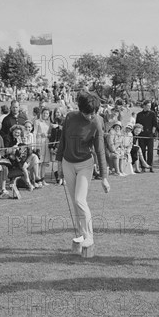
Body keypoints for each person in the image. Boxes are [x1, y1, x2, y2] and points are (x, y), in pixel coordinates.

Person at [56, 92, 110, 250]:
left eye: (94, 112)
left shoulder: (97, 123)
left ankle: (89, 237)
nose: (91, 116)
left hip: (85, 164)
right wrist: (59, 164)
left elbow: (100, 150)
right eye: (88, 113)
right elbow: (62, 141)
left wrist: (104, 177)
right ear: (80, 110)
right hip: (67, 163)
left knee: (80, 200)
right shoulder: (70, 117)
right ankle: (80, 233)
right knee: (74, 202)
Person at [135, 100, 158, 171]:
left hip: (150, 135)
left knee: (150, 151)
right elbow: (137, 125)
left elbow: (155, 124)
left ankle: (150, 166)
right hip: (141, 135)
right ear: (144, 105)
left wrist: (153, 133)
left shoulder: (152, 113)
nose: (149, 107)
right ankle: (143, 167)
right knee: (142, 151)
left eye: (150, 106)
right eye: (148, 106)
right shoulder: (139, 114)